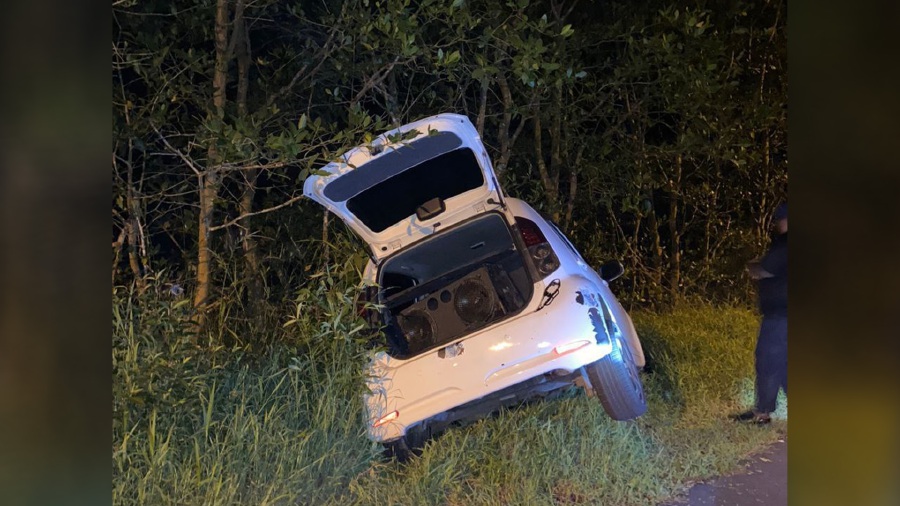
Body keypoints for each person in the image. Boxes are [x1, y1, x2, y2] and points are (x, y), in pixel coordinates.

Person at [732, 202, 788, 425]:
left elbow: (765, 269)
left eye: (779, 219)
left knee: (768, 359)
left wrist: (752, 266)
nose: (777, 224)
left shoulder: (786, 243)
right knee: (783, 364)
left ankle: (762, 413)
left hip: (780, 315)